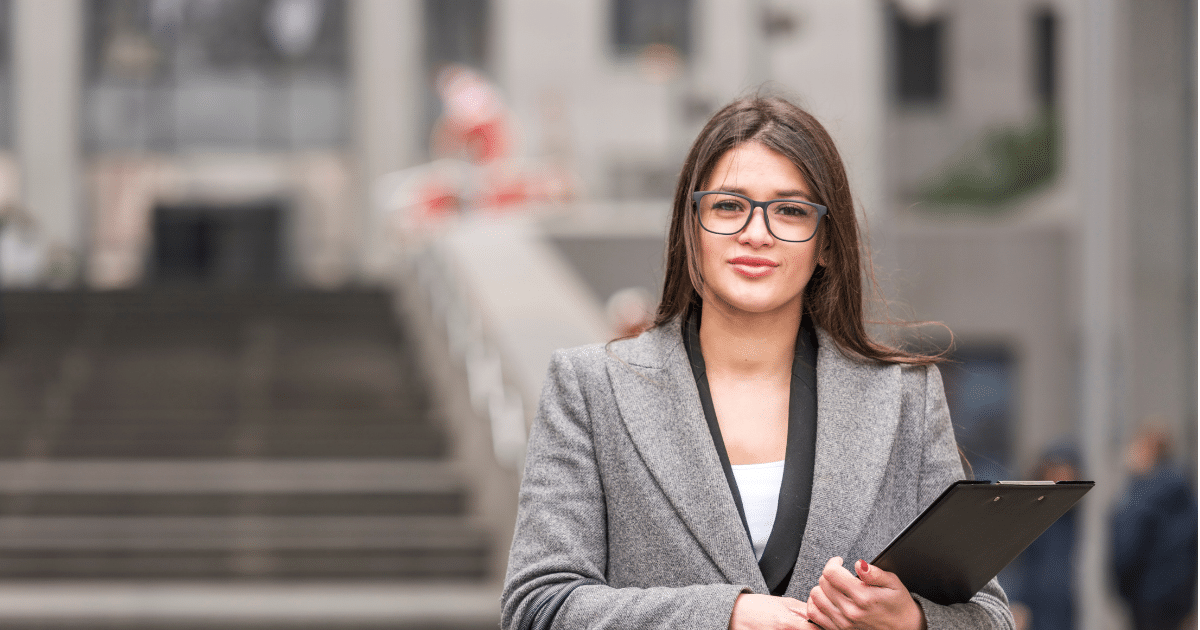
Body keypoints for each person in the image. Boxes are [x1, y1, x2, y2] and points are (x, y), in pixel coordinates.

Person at [501, 95, 1014, 630]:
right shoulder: (590, 388)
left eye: (790, 210)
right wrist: (726, 615)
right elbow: (538, 607)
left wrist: (912, 621)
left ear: (826, 244)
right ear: (690, 225)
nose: (756, 232)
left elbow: (990, 616)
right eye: (728, 205)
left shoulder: (905, 396)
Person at [1112, 423, 1198, 630]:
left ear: (1147, 450)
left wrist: (1123, 590)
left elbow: (1127, 551)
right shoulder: (1185, 493)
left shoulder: (1140, 497)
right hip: (1180, 602)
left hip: (1145, 601)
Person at [1005, 445, 1083, 630]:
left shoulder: (1070, 513)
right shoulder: (1030, 512)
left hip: (1062, 603)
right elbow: (1016, 563)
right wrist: (1016, 602)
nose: (1062, 476)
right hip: (1033, 602)